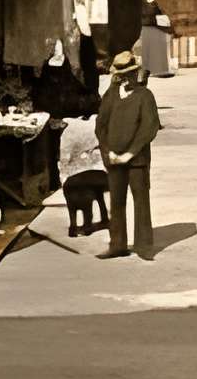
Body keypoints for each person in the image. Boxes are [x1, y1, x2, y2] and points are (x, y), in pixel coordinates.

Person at [97, 49, 161, 260]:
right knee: (116, 202)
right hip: (114, 159)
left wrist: (129, 154)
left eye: (132, 74)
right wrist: (108, 152)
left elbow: (148, 128)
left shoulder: (145, 96)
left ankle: (144, 247)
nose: (128, 78)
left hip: (137, 161)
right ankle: (117, 245)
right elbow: (101, 126)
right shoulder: (111, 95)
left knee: (141, 201)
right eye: (124, 75)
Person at [56, 103, 108, 238]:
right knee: (93, 191)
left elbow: (64, 158)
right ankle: (88, 225)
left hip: (73, 178)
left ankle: (74, 226)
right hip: (98, 173)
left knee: (80, 189)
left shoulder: (68, 130)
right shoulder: (98, 123)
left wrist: (63, 175)